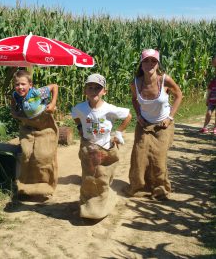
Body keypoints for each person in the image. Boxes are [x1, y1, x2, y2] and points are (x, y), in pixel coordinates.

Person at [71, 73, 132, 219]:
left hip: (105, 148)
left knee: (102, 177)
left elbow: (128, 116)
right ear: (85, 90)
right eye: (90, 87)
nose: (93, 91)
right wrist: (80, 127)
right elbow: (74, 115)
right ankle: (88, 205)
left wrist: (118, 132)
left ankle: (102, 201)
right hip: (88, 147)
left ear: (104, 91)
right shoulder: (80, 108)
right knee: (89, 178)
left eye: (98, 88)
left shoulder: (109, 109)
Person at [127, 49, 182, 200]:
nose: (149, 64)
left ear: (158, 64)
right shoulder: (136, 83)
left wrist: (170, 117)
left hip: (163, 124)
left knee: (159, 158)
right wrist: (138, 115)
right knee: (139, 157)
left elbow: (179, 95)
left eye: (153, 61)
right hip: (144, 124)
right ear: (141, 63)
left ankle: (160, 189)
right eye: (146, 61)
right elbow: (133, 99)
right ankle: (139, 187)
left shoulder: (165, 79)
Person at [11, 69, 59, 198]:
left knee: (43, 155)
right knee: (27, 154)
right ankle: (27, 185)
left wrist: (53, 103)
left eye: (23, 84)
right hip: (29, 128)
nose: (20, 87)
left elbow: (54, 86)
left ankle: (47, 184)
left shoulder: (36, 93)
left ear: (30, 85)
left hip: (45, 126)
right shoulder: (16, 95)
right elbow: (13, 101)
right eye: (17, 84)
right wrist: (13, 111)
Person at [199, 55, 216, 134]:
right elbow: (209, 91)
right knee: (208, 113)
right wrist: (207, 100)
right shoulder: (213, 82)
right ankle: (205, 127)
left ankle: (215, 128)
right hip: (211, 101)